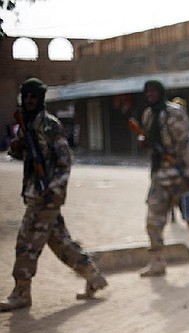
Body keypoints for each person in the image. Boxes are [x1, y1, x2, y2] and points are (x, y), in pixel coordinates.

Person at [0, 78, 108, 312]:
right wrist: (18, 147)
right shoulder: (27, 124)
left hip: (46, 196)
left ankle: (21, 292)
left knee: (26, 243)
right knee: (61, 243)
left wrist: (54, 190)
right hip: (36, 193)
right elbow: (21, 155)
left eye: (33, 97)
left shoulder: (49, 125)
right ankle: (94, 277)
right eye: (25, 96)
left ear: (40, 99)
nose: (28, 101)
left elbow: (64, 161)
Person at [137, 80, 189, 277]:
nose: (150, 95)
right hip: (159, 178)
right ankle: (157, 262)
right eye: (147, 91)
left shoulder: (174, 113)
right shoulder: (148, 115)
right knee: (153, 222)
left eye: (153, 91)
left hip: (180, 177)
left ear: (161, 92)